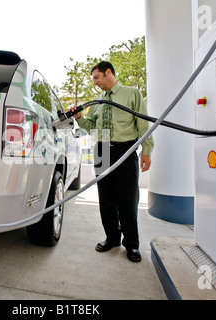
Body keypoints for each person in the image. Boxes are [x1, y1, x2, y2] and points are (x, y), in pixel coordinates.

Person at [70, 61, 154, 262]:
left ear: (109, 72)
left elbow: (143, 123)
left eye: (97, 77)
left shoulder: (131, 93)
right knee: (106, 199)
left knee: (127, 200)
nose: (95, 82)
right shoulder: (97, 101)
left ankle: (132, 245)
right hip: (102, 150)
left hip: (125, 149)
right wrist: (80, 117)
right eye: (93, 80)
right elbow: (92, 127)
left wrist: (147, 150)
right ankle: (112, 238)